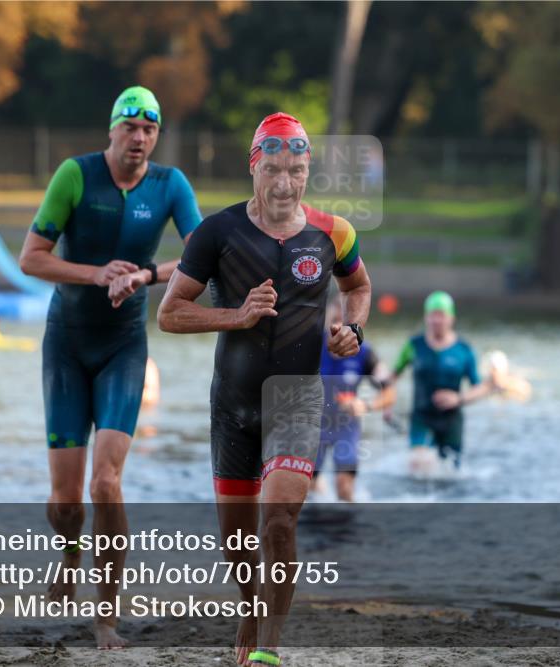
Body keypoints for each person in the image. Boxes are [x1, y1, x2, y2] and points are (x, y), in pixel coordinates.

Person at [157, 112, 372, 667]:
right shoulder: (217, 233)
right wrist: (237, 316)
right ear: (254, 166)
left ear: (308, 171)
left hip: (297, 399)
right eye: (273, 169)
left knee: (278, 521)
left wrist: (352, 329)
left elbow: (359, 286)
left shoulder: (334, 232)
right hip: (232, 404)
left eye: (296, 170)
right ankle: (251, 609)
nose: (285, 183)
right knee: (237, 544)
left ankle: (269, 651)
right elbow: (170, 314)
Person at [18, 86, 202, 649]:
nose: (140, 139)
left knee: (107, 482)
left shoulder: (170, 185)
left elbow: (203, 255)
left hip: (124, 346)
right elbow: (31, 258)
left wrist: (144, 276)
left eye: (150, 130)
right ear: (112, 131)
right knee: (66, 501)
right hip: (67, 345)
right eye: (132, 128)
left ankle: (105, 619)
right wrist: (97, 273)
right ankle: (70, 549)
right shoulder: (76, 175)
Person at [392, 291, 498, 468]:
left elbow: (480, 388)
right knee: (419, 463)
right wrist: (386, 404)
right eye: (432, 315)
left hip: (451, 421)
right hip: (421, 417)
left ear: (451, 318)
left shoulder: (464, 350)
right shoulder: (413, 346)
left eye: (441, 315)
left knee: (449, 474)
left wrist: (459, 398)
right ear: (426, 317)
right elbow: (393, 377)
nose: (436, 320)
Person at [313, 295, 394, 502]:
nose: (338, 323)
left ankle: (347, 531)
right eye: (335, 314)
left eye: (345, 315)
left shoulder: (365, 353)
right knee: (308, 488)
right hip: (314, 425)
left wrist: (365, 405)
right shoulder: (311, 347)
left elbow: (389, 391)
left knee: (344, 488)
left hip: (346, 427)